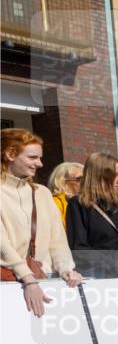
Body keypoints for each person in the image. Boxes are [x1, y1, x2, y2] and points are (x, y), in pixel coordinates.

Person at [1, 128, 81, 317]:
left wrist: (66, 269)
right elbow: (2, 244)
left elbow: (57, 240)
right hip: (8, 284)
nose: (40, 163)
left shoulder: (42, 193)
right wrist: (27, 278)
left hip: (42, 282)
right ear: (10, 154)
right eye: (32, 157)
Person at [66, 152, 118, 289]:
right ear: (98, 176)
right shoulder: (78, 204)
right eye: (114, 176)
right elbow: (80, 249)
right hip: (100, 280)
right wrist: (116, 266)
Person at [47, 161, 83, 229]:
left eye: (87, 179)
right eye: (80, 179)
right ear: (61, 182)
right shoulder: (55, 204)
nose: (86, 183)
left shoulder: (82, 203)